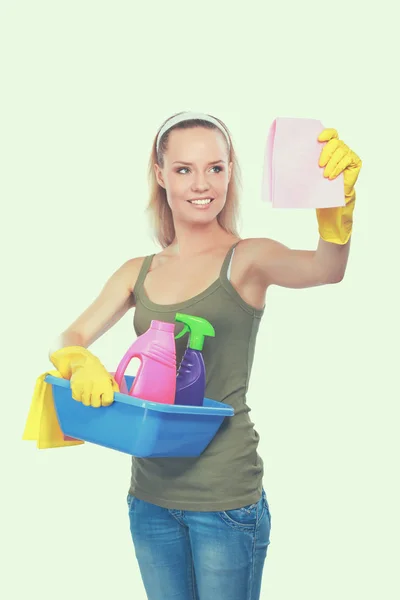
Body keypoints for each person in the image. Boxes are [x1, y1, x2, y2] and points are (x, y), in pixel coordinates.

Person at [48, 111, 362, 600]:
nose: (202, 184)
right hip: (150, 497)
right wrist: (78, 360)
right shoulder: (140, 269)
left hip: (225, 499)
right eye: (184, 169)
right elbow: (71, 334)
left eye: (215, 168)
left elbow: (325, 269)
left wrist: (336, 212)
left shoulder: (249, 258)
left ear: (230, 171)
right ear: (160, 173)